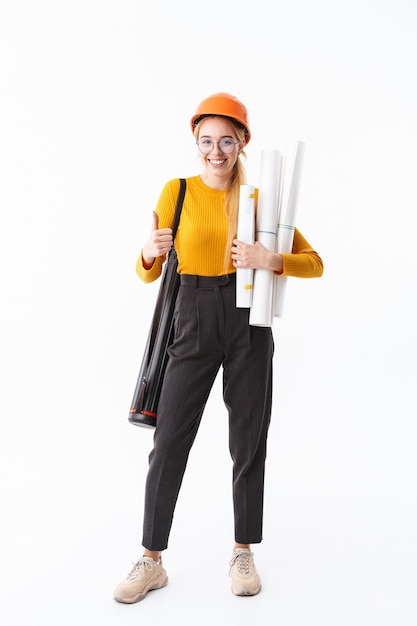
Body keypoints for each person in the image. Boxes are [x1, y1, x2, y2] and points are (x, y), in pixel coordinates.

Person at [113, 92, 323, 603]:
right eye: (206, 141)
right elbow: (148, 271)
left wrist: (268, 258)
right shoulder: (176, 191)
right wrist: (145, 252)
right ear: (196, 143)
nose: (216, 151)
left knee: (248, 439)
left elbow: (314, 262)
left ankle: (243, 550)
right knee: (169, 443)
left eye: (226, 140)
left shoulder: (258, 200)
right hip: (192, 315)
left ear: (242, 142)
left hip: (248, 320)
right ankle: (151, 558)